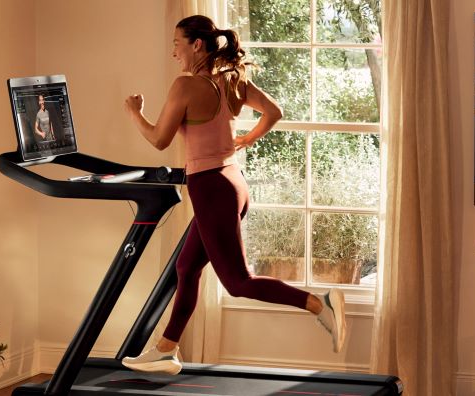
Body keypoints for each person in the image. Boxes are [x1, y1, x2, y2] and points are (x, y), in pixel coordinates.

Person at [121, 15, 346, 376]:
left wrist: (135, 113)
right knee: (186, 267)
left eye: (177, 43)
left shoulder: (185, 86)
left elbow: (159, 140)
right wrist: (246, 139)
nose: (173, 51)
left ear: (197, 44)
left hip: (211, 188)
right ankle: (166, 349)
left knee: (238, 283)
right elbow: (274, 112)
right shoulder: (232, 79)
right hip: (232, 183)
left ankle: (321, 305)